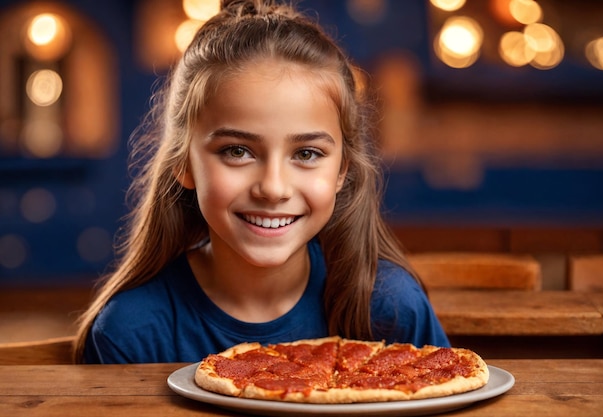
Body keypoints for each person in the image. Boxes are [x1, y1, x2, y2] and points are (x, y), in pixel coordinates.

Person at [73, 0, 449, 364]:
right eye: (237, 151)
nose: (273, 188)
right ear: (183, 162)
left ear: (341, 172)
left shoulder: (391, 307)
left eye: (306, 154)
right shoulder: (129, 332)